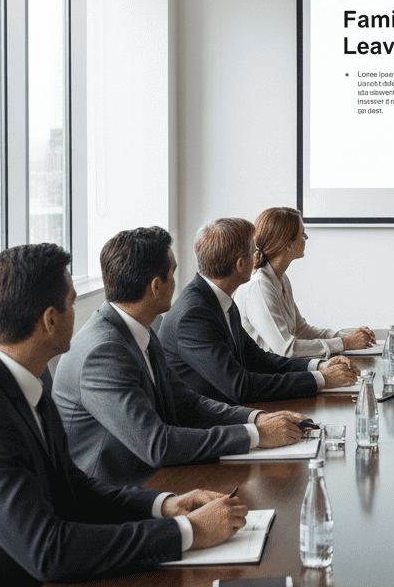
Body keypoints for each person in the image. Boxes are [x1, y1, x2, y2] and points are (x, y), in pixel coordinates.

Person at [0, 244, 245, 587]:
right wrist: (187, 532)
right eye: (72, 302)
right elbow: (49, 549)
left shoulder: (28, 376)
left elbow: (74, 486)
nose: (80, 312)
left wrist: (164, 505)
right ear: (50, 320)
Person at [53, 227, 308, 487]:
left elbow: (186, 402)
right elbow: (158, 444)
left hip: (154, 475)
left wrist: (256, 419)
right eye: (173, 273)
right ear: (156, 286)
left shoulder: (138, 330)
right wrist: (255, 435)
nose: (178, 282)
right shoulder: (103, 353)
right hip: (122, 491)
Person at [160, 218, 360, 405]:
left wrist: (319, 366)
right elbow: (240, 386)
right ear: (240, 264)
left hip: (230, 409)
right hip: (209, 421)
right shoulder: (194, 315)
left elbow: (257, 359)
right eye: (253, 251)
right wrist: (321, 379)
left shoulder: (219, 299)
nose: (258, 256)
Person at [236, 207, 375, 359]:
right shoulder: (259, 286)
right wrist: (344, 343)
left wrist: (345, 337)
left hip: (283, 367)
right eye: (302, 234)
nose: (306, 237)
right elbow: (286, 349)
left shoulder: (281, 278)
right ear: (287, 244)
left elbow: (301, 330)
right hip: (267, 371)